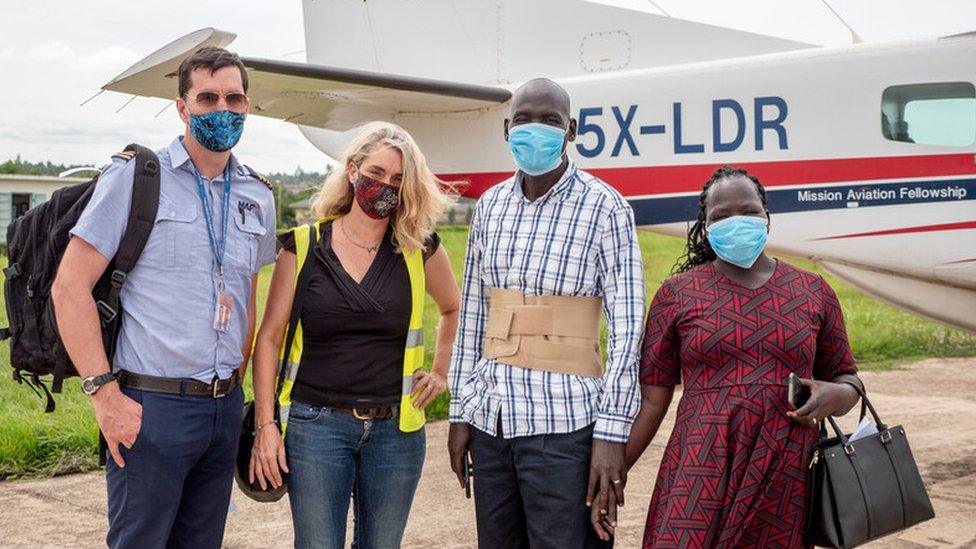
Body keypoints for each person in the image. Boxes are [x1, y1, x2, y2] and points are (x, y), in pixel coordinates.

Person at [51, 47, 276, 547]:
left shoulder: (257, 195)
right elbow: (69, 287)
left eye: (234, 98)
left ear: (248, 106)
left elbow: (247, 297)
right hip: (150, 408)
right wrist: (104, 395)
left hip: (222, 409)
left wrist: (241, 399)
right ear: (182, 107)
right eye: (208, 97)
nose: (223, 108)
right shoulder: (136, 177)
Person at [447, 78, 646, 548]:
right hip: (492, 420)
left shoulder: (606, 208)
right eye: (524, 119)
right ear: (506, 128)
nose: (535, 130)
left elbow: (627, 328)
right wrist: (460, 412)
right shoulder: (491, 206)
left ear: (571, 129)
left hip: (566, 427)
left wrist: (611, 435)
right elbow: (475, 312)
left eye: (550, 120)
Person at [626, 166, 864, 548]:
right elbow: (653, 399)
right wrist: (614, 470)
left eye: (749, 211)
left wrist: (836, 397)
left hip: (784, 470)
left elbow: (848, 378)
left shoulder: (813, 291)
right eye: (721, 215)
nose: (736, 221)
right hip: (700, 462)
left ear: (767, 217)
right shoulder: (676, 295)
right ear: (705, 226)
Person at [248, 122, 460, 549]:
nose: (385, 186)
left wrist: (441, 371)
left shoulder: (419, 247)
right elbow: (268, 339)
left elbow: (456, 308)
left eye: (399, 180)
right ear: (352, 170)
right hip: (315, 428)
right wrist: (265, 424)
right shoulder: (304, 246)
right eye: (376, 173)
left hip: (396, 435)